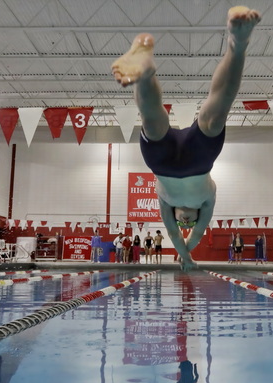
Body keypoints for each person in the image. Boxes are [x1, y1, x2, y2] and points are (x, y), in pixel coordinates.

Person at [112, 6, 261, 270]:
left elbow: (172, 234)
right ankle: (237, 45)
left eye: (185, 225)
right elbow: (198, 234)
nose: (186, 224)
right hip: (199, 159)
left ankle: (144, 74)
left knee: (151, 119)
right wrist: (188, 252)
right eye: (189, 224)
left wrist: (184, 252)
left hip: (162, 163)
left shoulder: (165, 203)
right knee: (216, 114)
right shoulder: (208, 200)